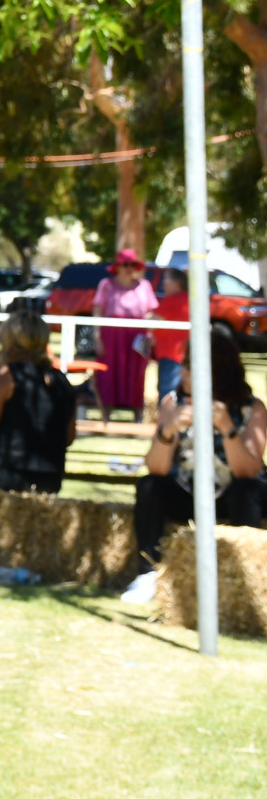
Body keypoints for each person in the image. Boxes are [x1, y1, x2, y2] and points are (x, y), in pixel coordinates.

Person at [123, 323, 267, 605]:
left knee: (246, 491)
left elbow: (248, 471)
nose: (183, 372)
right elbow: (156, 468)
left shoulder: (251, 407)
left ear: (217, 369)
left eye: (190, 365)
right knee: (149, 486)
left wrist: (227, 428)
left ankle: (238, 578)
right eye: (184, 364)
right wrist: (168, 431)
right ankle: (149, 574)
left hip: (234, 494)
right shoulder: (173, 402)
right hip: (190, 492)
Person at [0, 309, 77, 493]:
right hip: (50, 478)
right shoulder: (62, 381)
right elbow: (69, 437)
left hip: (4, 476)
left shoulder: (5, 378)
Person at [92, 248, 157, 421]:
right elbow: (98, 311)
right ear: (118, 266)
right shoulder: (106, 285)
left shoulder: (144, 286)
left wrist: (150, 334)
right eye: (125, 264)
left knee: (136, 373)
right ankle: (106, 415)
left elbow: (150, 312)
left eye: (132, 264)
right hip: (112, 335)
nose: (129, 268)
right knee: (108, 373)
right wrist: (97, 337)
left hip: (137, 335)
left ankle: (138, 415)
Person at [151, 262, 189, 403]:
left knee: (168, 395)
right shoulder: (187, 299)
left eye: (166, 281)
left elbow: (151, 323)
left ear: (177, 283)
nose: (163, 285)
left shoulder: (173, 300)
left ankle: (167, 423)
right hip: (182, 355)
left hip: (171, 355)